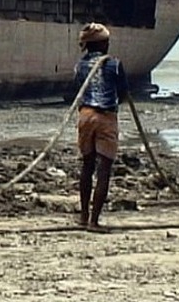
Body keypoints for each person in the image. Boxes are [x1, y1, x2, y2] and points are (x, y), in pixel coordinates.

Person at [72, 22, 128, 233]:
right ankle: (94, 221)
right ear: (103, 44)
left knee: (87, 166)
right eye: (107, 41)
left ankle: (83, 216)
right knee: (104, 169)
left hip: (85, 115)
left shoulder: (80, 65)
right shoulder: (114, 64)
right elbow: (123, 92)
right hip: (106, 117)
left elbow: (78, 88)